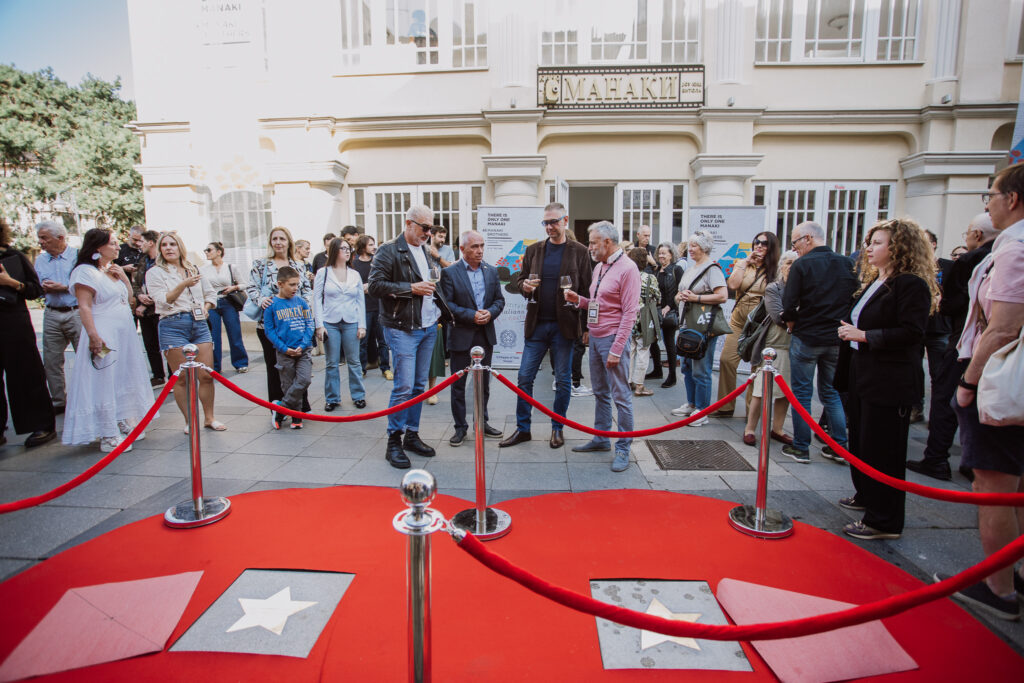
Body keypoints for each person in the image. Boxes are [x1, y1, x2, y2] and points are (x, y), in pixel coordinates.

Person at [939, 165, 1024, 620]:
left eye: (991, 194)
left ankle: (999, 588)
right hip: (1009, 379)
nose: (987, 202)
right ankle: (1012, 573)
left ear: (1012, 199)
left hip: (999, 380)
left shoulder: (1015, 248)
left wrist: (968, 383)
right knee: (1013, 483)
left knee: (993, 483)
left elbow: (1001, 328)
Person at [836, 219, 934, 540]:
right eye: (870, 242)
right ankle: (866, 495)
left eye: (877, 242)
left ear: (899, 247)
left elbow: (911, 332)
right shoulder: (878, 280)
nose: (869, 248)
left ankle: (884, 519)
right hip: (863, 373)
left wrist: (864, 335)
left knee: (883, 449)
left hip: (888, 379)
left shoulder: (911, 283)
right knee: (863, 442)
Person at [908, 213, 999, 481]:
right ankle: (973, 460)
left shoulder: (970, 260)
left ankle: (937, 458)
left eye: (968, 232)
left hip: (965, 341)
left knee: (947, 396)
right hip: (978, 342)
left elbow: (953, 304)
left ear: (978, 235)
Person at [500, 202, 593, 450]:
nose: (549, 227)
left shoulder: (580, 251)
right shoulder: (533, 251)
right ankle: (523, 429)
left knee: (563, 380)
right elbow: (520, 280)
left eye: (554, 221)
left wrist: (586, 328)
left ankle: (557, 428)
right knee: (524, 377)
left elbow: (586, 290)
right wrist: (525, 287)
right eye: (546, 223)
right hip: (537, 325)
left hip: (565, 325)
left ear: (565, 220)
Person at [63, 229, 155, 452]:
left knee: (121, 376)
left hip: (123, 332)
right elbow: (84, 306)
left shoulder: (110, 271)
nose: (117, 247)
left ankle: (121, 418)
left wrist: (124, 278)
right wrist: (94, 336)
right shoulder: (85, 272)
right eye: (112, 243)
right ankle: (108, 432)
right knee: (105, 376)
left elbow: (130, 301)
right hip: (103, 331)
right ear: (97, 247)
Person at [368, 204, 445, 468]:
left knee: (418, 386)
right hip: (402, 327)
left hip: (427, 326)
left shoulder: (426, 251)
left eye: (431, 228)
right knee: (403, 386)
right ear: (408, 223)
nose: (428, 232)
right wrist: (409, 288)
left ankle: (411, 434)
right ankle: (394, 440)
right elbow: (375, 286)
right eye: (425, 227)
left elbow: (434, 284)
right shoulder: (389, 250)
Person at [780, 221, 858, 464]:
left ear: (808, 239)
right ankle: (839, 447)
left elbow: (789, 305)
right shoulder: (847, 263)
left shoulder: (802, 265)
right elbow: (854, 299)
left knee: (802, 393)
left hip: (808, 336)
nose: (795, 249)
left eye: (795, 243)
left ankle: (802, 447)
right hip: (836, 337)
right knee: (831, 393)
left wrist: (793, 327)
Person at [566, 222, 641, 472]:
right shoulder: (599, 266)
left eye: (593, 243)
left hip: (612, 339)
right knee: (600, 391)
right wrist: (581, 301)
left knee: (621, 395)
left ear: (607, 242)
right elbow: (600, 303)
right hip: (597, 338)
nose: (590, 247)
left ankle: (623, 448)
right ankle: (601, 438)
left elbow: (630, 313)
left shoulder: (628, 268)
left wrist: (617, 348)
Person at [146, 231, 225, 431]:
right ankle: (190, 421)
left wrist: (206, 309)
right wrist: (183, 284)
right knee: (182, 378)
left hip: (198, 323)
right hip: (172, 324)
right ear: (159, 249)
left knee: (206, 375)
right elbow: (164, 299)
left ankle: (209, 417)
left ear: (180, 247)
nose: (169, 248)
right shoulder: (154, 272)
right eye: (164, 245)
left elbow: (209, 293)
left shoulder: (193, 269)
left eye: (172, 244)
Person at [438, 230, 505, 446]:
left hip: (485, 335)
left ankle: (482, 422)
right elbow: (447, 305)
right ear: (462, 249)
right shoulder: (450, 273)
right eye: (474, 247)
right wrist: (472, 315)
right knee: (458, 384)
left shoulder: (491, 271)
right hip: (461, 335)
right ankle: (460, 428)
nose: (480, 251)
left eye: (482, 246)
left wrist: (490, 313)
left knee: (483, 383)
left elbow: (499, 301)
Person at [0, 217, 56, 448]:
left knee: (26, 374)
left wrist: (11, 283)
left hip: (14, 324)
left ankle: (42, 425)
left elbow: (35, 290)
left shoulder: (13, 257)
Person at [247, 226, 313, 419]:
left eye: (282, 239)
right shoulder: (261, 264)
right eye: (274, 239)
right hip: (271, 325)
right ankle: (278, 407)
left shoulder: (299, 264)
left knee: (301, 366)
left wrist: (305, 307)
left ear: (288, 242)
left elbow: (307, 290)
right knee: (275, 366)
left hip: (296, 325)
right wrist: (261, 300)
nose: (278, 242)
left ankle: (300, 407)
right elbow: (251, 287)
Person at [715, 232, 779, 417]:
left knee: (757, 367)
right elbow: (733, 285)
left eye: (764, 243)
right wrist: (744, 262)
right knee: (727, 360)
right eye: (756, 242)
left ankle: (752, 412)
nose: (758, 246)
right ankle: (725, 406)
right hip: (738, 319)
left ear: (771, 247)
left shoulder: (775, 270)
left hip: (760, 323)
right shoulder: (745, 264)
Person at [669, 230, 728, 426]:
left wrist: (696, 298)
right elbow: (680, 292)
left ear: (704, 247)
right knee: (686, 366)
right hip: (688, 324)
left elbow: (722, 296)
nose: (690, 249)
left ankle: (703, 410)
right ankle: (692, 403)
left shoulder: (712, 269)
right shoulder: (692, 267)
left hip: (703, 326)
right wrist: (679, 297)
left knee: (701, 369)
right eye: (690, 245)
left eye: (694, 246)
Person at [743, 250, 798, 447]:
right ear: (782, 265)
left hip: (793, 344)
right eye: (788, 262)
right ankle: (750, 428)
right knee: (760, 389)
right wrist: (797, 317)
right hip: (774, 344)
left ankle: (778, 428)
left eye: (796, 263)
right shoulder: (774, 288)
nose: (792, 266)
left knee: (785, 390)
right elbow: (778, 316)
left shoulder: (804, 289)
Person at [34, 220, 81, 414]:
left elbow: (86, 284)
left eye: (44, 238)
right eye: (40, 238)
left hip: (76, 312)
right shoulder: (40, 260)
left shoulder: (77, 257)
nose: (41, 242)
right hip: (52, 312)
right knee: (52, 360)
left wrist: (63, 287)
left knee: (87, 355)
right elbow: (36, 285)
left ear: (60, 238)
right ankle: (58, 401)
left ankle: (88, 394)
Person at [314, 237, 367, 411]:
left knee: (354, 361)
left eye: (348, 248)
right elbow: (317, 299)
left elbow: (360, 301)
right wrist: (319, 325)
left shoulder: (355, 274)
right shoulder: (324, 272)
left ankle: (358, 395)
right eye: (343, 248)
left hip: (352, 321)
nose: (347, 251)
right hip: (330, 322)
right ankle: (332, 398)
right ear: (335, 250)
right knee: (331, 362)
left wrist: (362, 325)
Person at [265, 266, 316, 430]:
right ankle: (296, 415)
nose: (296, 288)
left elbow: (310, 324)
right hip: (284, 352)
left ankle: (279, 409)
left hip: (303, 350)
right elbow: (269, 330)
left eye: (297, 284)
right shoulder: (272, 305)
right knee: (287, 385)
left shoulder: (301, 302)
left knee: (304, 380)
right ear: (280, 284)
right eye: (292, 284)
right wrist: (284, 348)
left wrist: (303, 345)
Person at [200, 242, 249, 374]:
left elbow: (244, 284)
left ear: (219, 252)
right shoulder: (203, 269)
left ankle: (241, 363)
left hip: (228, 302)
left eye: (209, 249)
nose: (206, 252)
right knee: (213, 335)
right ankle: (215, 366)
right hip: (211, 303)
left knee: (234, 333)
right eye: (205, 250)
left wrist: (234, 287)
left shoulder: (231, 267)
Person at [132, 230, 169, 386]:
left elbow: (167, 286)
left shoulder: (164, 262)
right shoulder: (142, 261)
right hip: (146, 312)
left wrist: (147, 302)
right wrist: (140, 296)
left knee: (168, 345)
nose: (138, 245)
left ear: (151, 242)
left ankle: (174, 377)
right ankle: (158, 375)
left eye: (141, 241)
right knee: (150, 344)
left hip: (160, 310)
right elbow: (136, 283)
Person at [351, 234, 392, 379]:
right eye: (370, 244)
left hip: (380, 307)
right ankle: (362, 369)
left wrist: (371, 287)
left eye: (374, 244)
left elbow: (384, 282)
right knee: (363, 341)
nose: (374, 247)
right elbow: (352, 286)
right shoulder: (354, 264)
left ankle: (386, 368)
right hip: (363, 309)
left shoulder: (377, 262)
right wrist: (365, 287)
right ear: (362, 247)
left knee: (383, 341)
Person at [647, 242, 683, 388]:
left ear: (671, 255)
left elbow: (680, 291)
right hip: (655, 311)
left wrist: (669, 306)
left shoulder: (676, 269)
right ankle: (657, 370)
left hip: (670, 312)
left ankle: (672, 376)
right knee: (652, 341)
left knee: (669, 343)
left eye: (664, 253)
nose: (661, 255)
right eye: (660, 253)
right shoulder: (656, 270)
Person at [626, 247, 660, 397]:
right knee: (643, 350)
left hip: (628, 316)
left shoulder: (626, 275)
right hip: (644, 317)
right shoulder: (650, 278)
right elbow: (657, 297)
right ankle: (639, 385)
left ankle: (627, 382)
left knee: (629, 350)